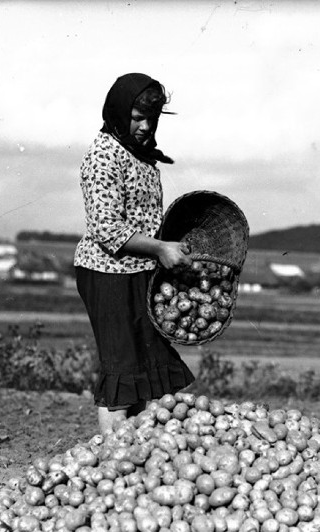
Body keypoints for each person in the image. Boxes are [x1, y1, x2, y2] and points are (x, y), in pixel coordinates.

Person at [74, 72, 195, 435]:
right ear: (117, 112)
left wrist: (168, 248)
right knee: (123, 365)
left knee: (149, 364)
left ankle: (137, 461)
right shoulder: (103, 156)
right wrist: (160, 248)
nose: (144, 126)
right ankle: (113, 460)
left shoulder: (139, 155)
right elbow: (107, 227)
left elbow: (145, 219)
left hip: (140, 272)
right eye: (137, 117)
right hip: (107, 273)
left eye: (151, 118)